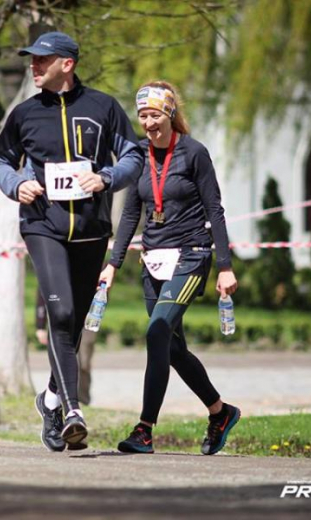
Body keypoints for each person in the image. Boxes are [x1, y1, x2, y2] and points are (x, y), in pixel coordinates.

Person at [0, 31, 144, 451]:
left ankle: (51, 400)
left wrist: (106, 177)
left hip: (92, 229)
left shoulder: (103, 108)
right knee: (61, 314)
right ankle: (73, 410)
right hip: (43, 226)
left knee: (73, 322)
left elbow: (133, 155)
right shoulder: (24, 114)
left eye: (42, 60)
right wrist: (17, 183)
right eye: (32, 60)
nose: (33, 66)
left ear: (67, 64)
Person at [100, 81, 240, 455]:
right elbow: (132, 212)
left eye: (155, 114)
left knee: (157, 331)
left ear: (171, 114)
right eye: (142, 115)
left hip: (192, 255)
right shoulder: (139, 156)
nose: (148, 122)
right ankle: (220, 412)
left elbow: (215, 210)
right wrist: (112, 264)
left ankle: (144, 430)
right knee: (172, 349)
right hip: (153, 260)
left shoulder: (194, 153)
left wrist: (224, 265)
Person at [35, 288, 96, 405]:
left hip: (88, 315)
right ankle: (63, 399)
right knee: (65, 360)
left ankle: (83, 400)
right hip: (64, 314)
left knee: (84, 363)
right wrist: (40, 324)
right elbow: (43, 290)